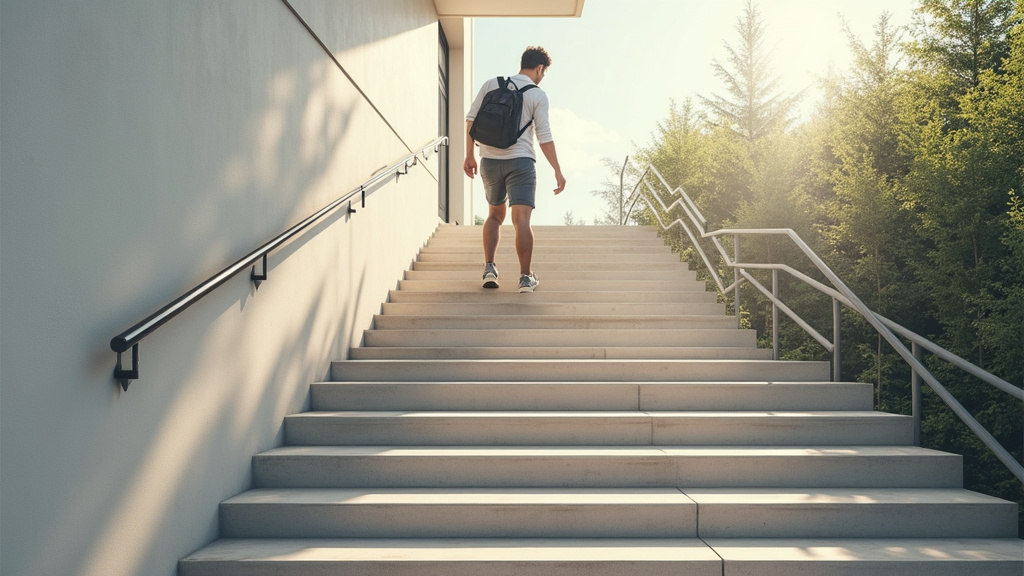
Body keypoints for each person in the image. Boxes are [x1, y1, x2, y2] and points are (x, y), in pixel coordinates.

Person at [464, 46, 566, 293]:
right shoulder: (537, 95)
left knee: (494, 216)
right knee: (521, 220)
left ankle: (490, 268)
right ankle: (524, 278)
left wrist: (469, 155)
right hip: (521, 162)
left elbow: (471, 120)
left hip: (488, 160)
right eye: (543, 72)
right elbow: (544, 137)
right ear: (539, 68)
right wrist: (557, 170)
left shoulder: (492, 84)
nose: (542, 77)